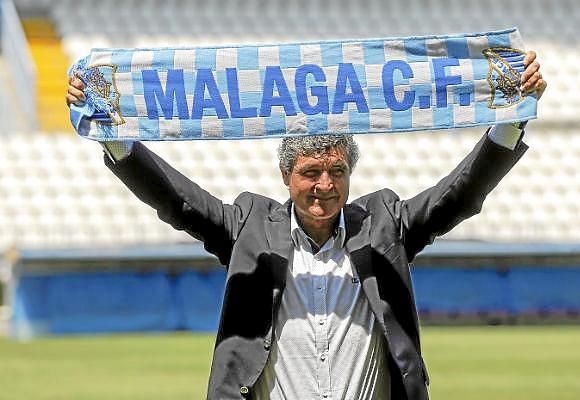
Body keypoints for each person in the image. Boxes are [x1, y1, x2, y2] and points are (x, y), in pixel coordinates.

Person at [67, 52, 546, 400]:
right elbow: (178, 201)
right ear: (286, 176)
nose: (325, 185)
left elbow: (457, 195)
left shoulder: (383, 222)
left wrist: (511, 119)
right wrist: (115, 138)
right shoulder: (250, 225)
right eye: (310, 172)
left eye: (337, 171)